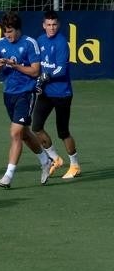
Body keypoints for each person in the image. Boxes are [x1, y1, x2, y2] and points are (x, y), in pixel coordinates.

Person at [0, 11, 52, 188]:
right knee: (23, 134)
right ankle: (45, 161)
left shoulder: (30, 43)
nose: (7, 35)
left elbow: (35, 71)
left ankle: (8, 176)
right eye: (5, 32)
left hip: (26, 93)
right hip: (9, 94)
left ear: (18, 30)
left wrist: (15, 65)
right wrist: (0, 65)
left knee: (15, 132)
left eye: (10, 31)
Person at [33, 10, 81, 180]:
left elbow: (62, 68)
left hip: (62, 94)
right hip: (46, 93)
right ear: (43, 25)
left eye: (54, 25)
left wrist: (47, 76)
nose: (51, 28)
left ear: (58, 25)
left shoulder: (61, 43)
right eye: (49, 25)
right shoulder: (40, 40)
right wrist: (37, 79)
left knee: (63, 131)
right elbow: (37, 64)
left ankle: (75, 165)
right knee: (36, 127)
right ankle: (55, 158)